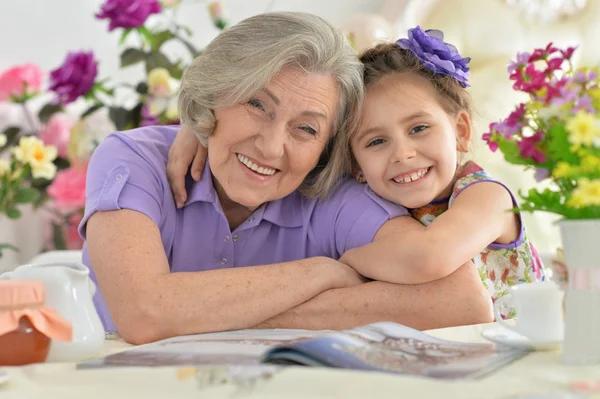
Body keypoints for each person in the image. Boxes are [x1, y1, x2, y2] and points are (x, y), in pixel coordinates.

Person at [82, 13, 492, 345]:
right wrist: (319, 273)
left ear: (331, 149)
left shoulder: (331, 193)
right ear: (215, 96)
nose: (271, 147)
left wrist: (208, 312)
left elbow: (462, 302)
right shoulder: (135, 159)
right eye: (257, 105)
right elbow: (142, 313)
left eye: (307, 129)